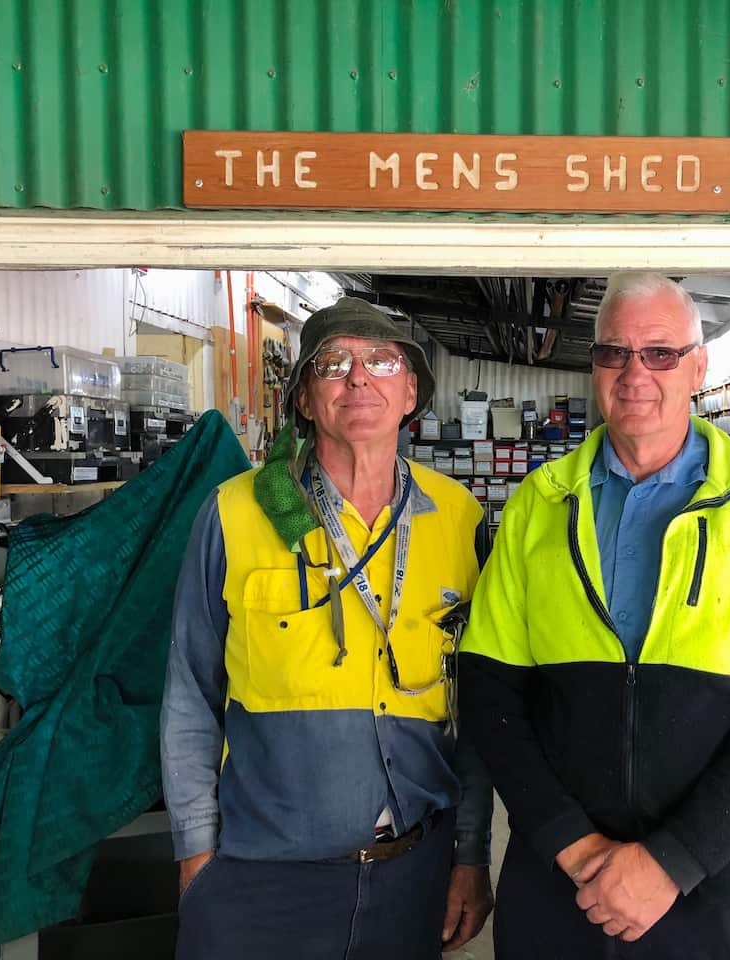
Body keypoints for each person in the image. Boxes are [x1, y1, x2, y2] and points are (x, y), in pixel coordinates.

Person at [459, 272, 730, 959]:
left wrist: (672, 861)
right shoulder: (539, 502)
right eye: (615, 353)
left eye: (660, 353)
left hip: (719, 891)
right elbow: (488, 692)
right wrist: (572, 847)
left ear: (699, 365)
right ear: (594, 365)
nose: (636, 373)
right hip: (564, 888)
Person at [161, 297, 494, 960]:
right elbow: (189, 695)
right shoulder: (233, 512)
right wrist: (197, 853)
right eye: (333, 364)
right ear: (306, 401)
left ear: (410, 394)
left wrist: (472, 853)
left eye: (381, 361)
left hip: (412, 874)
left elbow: (480, 711)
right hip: (261, 877)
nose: (358, 377)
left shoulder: (459, 519)